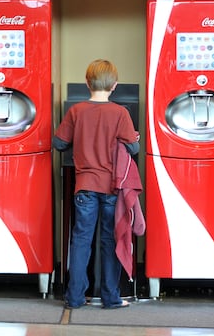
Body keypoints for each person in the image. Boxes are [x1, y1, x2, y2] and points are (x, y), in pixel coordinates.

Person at [53, 59, 140, 310]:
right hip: (112, 189)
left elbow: (59, 143)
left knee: (81, 241)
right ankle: (111, 298)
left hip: (84, 187)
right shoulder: (120, 113)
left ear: (87, 82)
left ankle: (75, 298)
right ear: (115, 85)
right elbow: (133, 148)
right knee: (110, 240)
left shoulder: (76, 111)